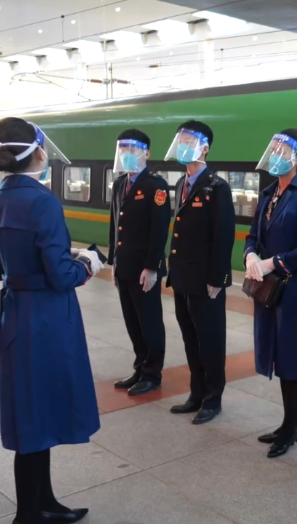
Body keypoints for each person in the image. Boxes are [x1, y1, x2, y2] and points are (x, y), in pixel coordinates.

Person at [0, 117, 104, 524]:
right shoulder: (43, 202)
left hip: (16, 316)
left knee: (32, 412)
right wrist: (88, 263)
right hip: (48, 320)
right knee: (40, 414)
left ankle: (44, 502)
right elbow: (61, 275)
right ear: (36, 152)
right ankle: (27, 517)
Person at [244, 129, 297, 458]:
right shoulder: (268, 193)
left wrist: (273, 262)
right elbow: (252, 235)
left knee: (291, 358)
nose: (276, 154)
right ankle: (291, 422)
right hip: (268, 288)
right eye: (273, 148)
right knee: (277, 353)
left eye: (283, 150)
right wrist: (250, 255)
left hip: (291, 289)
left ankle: (291, 427)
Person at [164, 120, 235, 425]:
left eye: (188, 141)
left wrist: (218, 279)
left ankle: (212, 398)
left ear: (204, 148)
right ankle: (196, 393)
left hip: (206, 280)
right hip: (182, 277)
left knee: (210, 340)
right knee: (190, 339)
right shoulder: (181, 183)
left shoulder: (217, 187)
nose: (182, 146)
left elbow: (224, 235)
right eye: (179, 140)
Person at [107, 130, 171, 396]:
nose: (126, 154)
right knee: (132, 322)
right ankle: (140, 367)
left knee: (149, 322)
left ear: (146, 153)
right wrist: (113, 260)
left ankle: (152, 373)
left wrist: (152, 267)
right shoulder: (119, 184)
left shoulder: (156, 186)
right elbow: (115, 224)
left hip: (144, 268)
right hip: (124, 266)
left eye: (132, 149)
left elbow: (159, 229)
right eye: (122, 149)